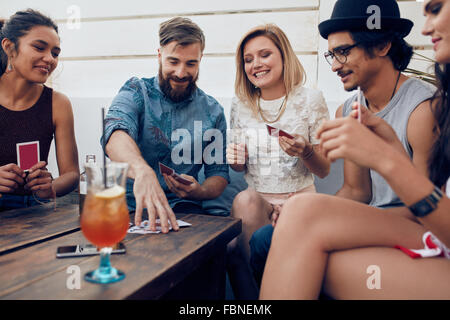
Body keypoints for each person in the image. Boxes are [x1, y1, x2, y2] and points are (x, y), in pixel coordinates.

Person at [260, 0, 450, 299]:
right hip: (375, 218)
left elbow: (427, 210)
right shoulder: (350, 109)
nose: (335, 65)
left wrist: (384, 156)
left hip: (414, 224)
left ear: (384, 44)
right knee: (268, 236)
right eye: (331, 55)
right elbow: (356, 191)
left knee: (298, 224)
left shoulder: (422, 110)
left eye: (344, 51)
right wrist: (323, 209)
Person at [226, 24, 330, 299]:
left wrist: (306, 152)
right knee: (244, 201)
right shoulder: (240, 104)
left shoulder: (311, 99)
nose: (256, 65)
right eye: (248, 60)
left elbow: (325, 169)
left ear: (283, 56)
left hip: (300, 201)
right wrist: (236, 159)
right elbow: (240, 167)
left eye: (264, 55)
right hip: (256, 207)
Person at [102, 17, 229, 233]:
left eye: (191, 63)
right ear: (159, 55)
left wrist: (199, 191)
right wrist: (142, 171)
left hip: (185, 210)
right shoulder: (136, 90)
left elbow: (218, 173)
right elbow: (114, 133)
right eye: (173, 61)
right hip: (128, 208)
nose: (181, 73)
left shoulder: (213, 111)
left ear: (201, 59)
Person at [0, 9, 79, 211]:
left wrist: (50, 187)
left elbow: (71, 174)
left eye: (55, 53)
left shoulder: (58, 103)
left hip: (34, 211)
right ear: (9, 47)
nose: (50, 59)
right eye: (39, 47)